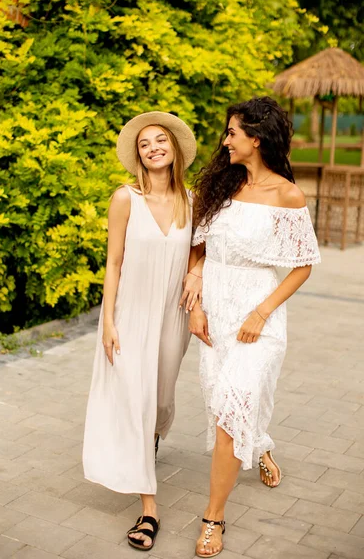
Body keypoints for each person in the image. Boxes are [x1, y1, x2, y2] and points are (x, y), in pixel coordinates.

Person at [187, 97, 321, 557]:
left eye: (231, 133)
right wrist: (195, 301)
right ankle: (259, 445)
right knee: (222, 403)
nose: (225, 141)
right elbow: (199, 246)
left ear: (255, 138)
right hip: (215, 315)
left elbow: (303, 265)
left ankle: (213, 518)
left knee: (230, 412)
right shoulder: (223, 186)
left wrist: (262, 312)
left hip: (256, 318)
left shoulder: (287, 195)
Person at [83, 111, 198, 552]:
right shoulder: (124, 199)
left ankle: (147, 444)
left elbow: (201, 251)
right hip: (130, 316)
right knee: (136, 398)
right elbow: (112, 264)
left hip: (173, 317)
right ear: (138, 154)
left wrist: (199, 272)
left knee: (161, 400)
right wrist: (108, 320)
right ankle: (149, 509)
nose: (153, 148)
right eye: (145, 143)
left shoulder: (193, 199)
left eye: (160, 141)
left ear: (173, 149)